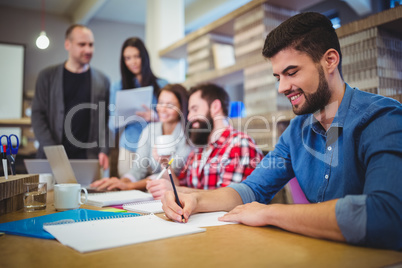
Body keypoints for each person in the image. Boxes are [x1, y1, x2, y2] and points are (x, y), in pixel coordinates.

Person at [161, 12, 402, 250]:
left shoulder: (382, 118)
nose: (282, 87)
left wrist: (271, 213)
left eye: (292, 72)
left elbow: (384, 214)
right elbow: (253, 188)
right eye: (278, 77)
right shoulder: (296, 130)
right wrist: (195, 199)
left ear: (330, 60)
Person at [146, 83, 263, 199]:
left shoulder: (239, 144)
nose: (189, 117)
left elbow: (230, 199)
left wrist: (177, 190)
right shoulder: (198, 150)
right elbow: (180, 186)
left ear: (215, 107)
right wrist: (165, 163)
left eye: (194, 109)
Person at [32, 24, 110, 170]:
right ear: (67, 44)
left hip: (87, 159)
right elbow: (38, 115)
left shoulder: (102, 80)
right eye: (82, 44)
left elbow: (104, 120)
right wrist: (53, 152)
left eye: (91, 45)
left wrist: (104, 150)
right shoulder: (47, 76)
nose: (88, 50)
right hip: (51, 159)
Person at [91, 84, 191, 191]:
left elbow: (169, 174)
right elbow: (138, 168)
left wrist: (130, 186)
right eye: (161, 103)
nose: (163, 109)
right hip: (152, 189)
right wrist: (121, 182)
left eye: (170, 105)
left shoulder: (187, 136)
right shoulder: (149, 130)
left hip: (176, 190)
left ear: (181, 106)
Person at [109, 37, 168, 176]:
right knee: (128, 187)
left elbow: (174, 118)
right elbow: (111, 124)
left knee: (157, 188)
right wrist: (124, 116)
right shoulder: (117, 87)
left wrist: (155, 117)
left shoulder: (162, 85)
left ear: (144, 57)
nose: (133, 62)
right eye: (127, 58)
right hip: (130, 146)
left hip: (155, 147)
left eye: (137, 56)